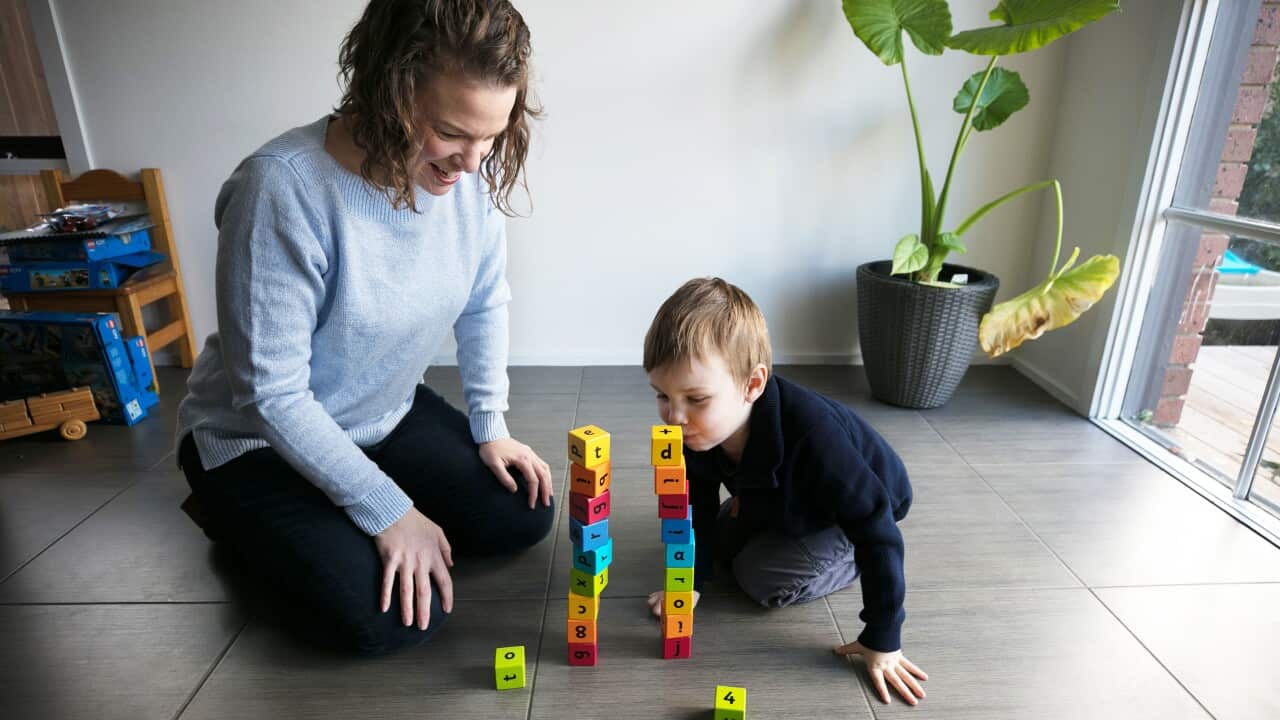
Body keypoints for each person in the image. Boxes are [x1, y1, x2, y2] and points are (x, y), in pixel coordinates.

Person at [174, 0, 554, 656]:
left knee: (522, 509)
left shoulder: (461, 179)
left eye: (491, 136)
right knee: (393, 617)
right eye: (452, 132)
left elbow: (484, 300)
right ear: (389, 90)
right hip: (255, 442)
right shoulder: (280, 190)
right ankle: (233, 517)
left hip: (379, 417)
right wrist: (388, 510)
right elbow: (271, 397)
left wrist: (492, 425)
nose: (473, 162)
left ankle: (345, 503)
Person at [642, 277, 929, 705]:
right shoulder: (694, 431)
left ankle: (848, 559)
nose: (674, 416)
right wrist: (692, 580)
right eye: (663, 395)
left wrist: (883, 637)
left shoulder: (814, 435)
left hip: (865, 503)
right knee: (719, 542)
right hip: (790, 491)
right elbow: (698, 503)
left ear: (752, 385)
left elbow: (875, 524)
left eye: (696, 398)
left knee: (760, 578)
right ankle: (764, 517)